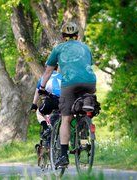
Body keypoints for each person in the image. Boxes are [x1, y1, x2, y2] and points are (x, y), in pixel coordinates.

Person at [39, 22, 96, 167]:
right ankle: (84, 132)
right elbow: (88, 66)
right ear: (77, 35)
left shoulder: (58, 48)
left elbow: (48, 71)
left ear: (63, 36)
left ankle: (63, 156)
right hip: (90, 82)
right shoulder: (86, 48)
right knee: (84, 105)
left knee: (65, 119)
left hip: (69, 83)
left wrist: (42, 87)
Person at [31, 67, 62, 139]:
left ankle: (46, 128)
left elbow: (38, 92)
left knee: (39, 112)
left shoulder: (43, 78)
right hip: (63, 101)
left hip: (51, 100)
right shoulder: (62, 77)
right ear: (57, 68)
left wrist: (34, 104)